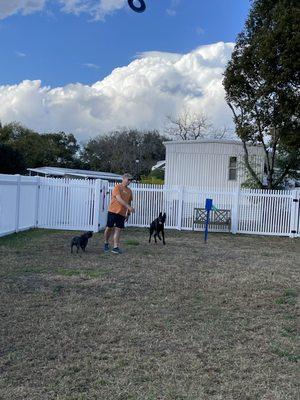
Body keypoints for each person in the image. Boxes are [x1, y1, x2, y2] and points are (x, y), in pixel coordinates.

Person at [104, 173, 135, 254]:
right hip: (113, 211)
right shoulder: (117, 187)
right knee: (109, 228)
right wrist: (128, 207)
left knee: (118, 229)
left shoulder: (129, 191)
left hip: (122, 213)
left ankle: (115, 247)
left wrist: (128, 213)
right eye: (129, 180)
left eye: (131, 180)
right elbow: (119, 199)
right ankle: (106, 243)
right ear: (123, 178)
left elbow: (129, 202)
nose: (130, 182)